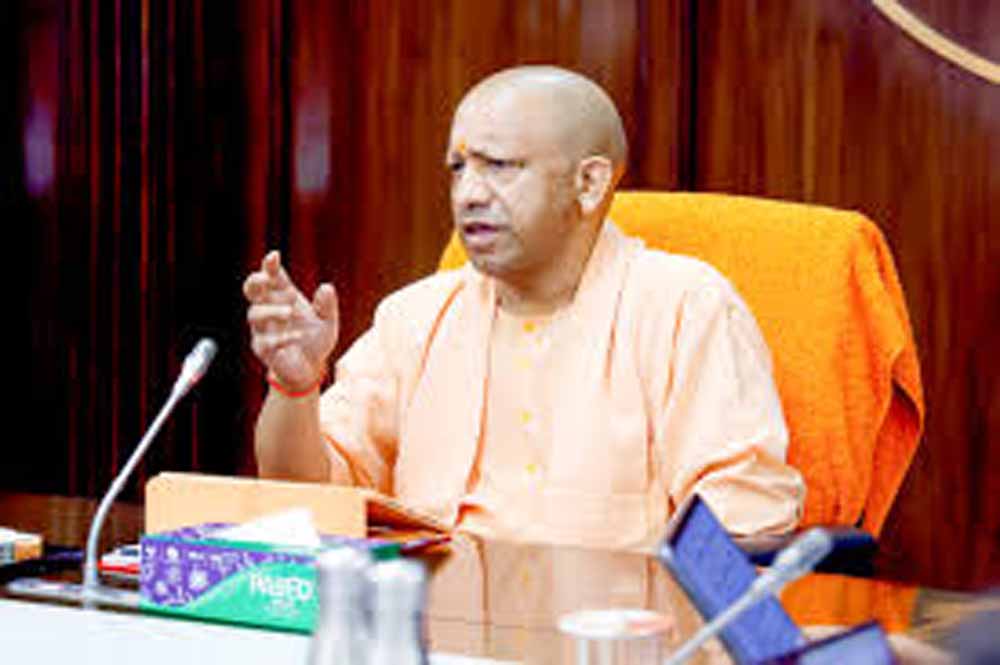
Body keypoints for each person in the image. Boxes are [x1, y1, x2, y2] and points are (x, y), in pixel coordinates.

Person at [244, 66, 804, 549]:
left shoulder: (684, 307)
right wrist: (296, 388)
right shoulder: (414, 316)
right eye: (458, 169)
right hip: (429, 618)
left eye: (500, 166)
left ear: (589, 183)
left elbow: (744, 522)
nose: (468, 194)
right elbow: (308, 503)